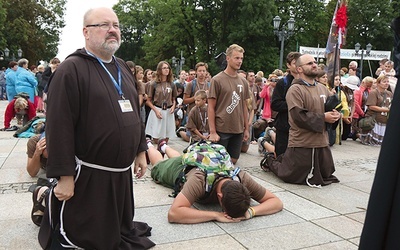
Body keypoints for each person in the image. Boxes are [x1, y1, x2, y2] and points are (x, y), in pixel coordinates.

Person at [39, 7, 155, 249]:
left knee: (118, 228)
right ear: (86, 32)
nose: (112, 30)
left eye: (116, 25)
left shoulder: (122, 66)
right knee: (89, 234)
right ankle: (42, 198)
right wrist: (64, 176)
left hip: (120, 172)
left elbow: (134, 112)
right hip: (89, 175)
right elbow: (58, 126)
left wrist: (140, 151)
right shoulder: (71, 70)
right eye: (103, 25)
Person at [147, 140, 283, 224]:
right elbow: (174, 214)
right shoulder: (199, 181)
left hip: (199, 160)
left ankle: (164, 146)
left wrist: (251, 212)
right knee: (158, 165)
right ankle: (147, 144)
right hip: (182, 170)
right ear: (220, 197)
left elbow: (276, 202)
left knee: (181, 157)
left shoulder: (242, 178)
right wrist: (215, 215)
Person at [262, 54, 341, 187]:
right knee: (290, 175)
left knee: (326, 173)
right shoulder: (295, 90)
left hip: (321, 142)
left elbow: (329, 109)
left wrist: (335, 115)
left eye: (315, 62)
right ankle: (270, 159)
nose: (314, 65)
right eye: (309, 63)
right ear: (299, 69)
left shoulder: (323, 88)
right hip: (302, 142)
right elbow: (298, 116)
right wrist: (324, 117)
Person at [208, 44, 250, 164]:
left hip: (237, 129)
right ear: (228, 58)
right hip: (222, 128)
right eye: (237, 58)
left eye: (241, 58)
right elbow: (211, 107)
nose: (240, 61)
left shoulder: (243, 82)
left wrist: (246, 129)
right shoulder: (217, 80)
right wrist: (212, 131)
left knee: (233, 160)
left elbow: (244, 106)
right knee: (219, 161)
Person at [271, 52, 301, 157]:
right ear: (288, 65)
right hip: (284, 126)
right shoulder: (283, 83)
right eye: (294, 63)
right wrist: (293, 105)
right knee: (282, 156)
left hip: (300, 126)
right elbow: (275, 104)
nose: (297, 66)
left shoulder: (306, 82)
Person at [145, 61, 177, 144]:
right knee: (156, 139)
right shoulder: (154, 84)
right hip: (158, 109)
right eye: (164, 68)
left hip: (169, 110)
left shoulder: (172, 84)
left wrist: (174, 106)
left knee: (166, 138)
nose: (167, 70)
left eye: (168, 68)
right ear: (159, 70)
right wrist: (155, 111)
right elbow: (148, 101)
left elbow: (174, 99)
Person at [358, 75, 393, 146]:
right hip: (374, 119)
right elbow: (371, 106)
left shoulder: (389, 93)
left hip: (384, 119)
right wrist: (385, 109)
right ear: (378, 83)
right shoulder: (374, 92)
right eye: (384, 82)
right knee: (371, 142)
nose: (387, 83)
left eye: (387, 81)